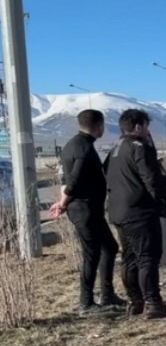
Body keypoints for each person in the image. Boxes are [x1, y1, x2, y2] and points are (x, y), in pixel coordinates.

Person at [49, 109, 125, 315]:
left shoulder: (73, 144)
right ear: (99, 126)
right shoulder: (83, 148)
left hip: (88, 209)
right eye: (103, 126)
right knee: (92, 254)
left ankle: (107, 295)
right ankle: (87, 303)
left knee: (109, 247)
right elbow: (73, 180)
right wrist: (62, 203)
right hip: (84, 209)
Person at [105, 109, 166, 319]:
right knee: (147, 258)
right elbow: (151, 180)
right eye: (146, 127)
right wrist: (160, 202)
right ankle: (153, 302)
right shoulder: (139, 148)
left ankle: (135, 301)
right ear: (139, 127)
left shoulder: (115, 150)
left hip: (119, 212)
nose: (148, 131)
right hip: (140, 212)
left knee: (129, 258)